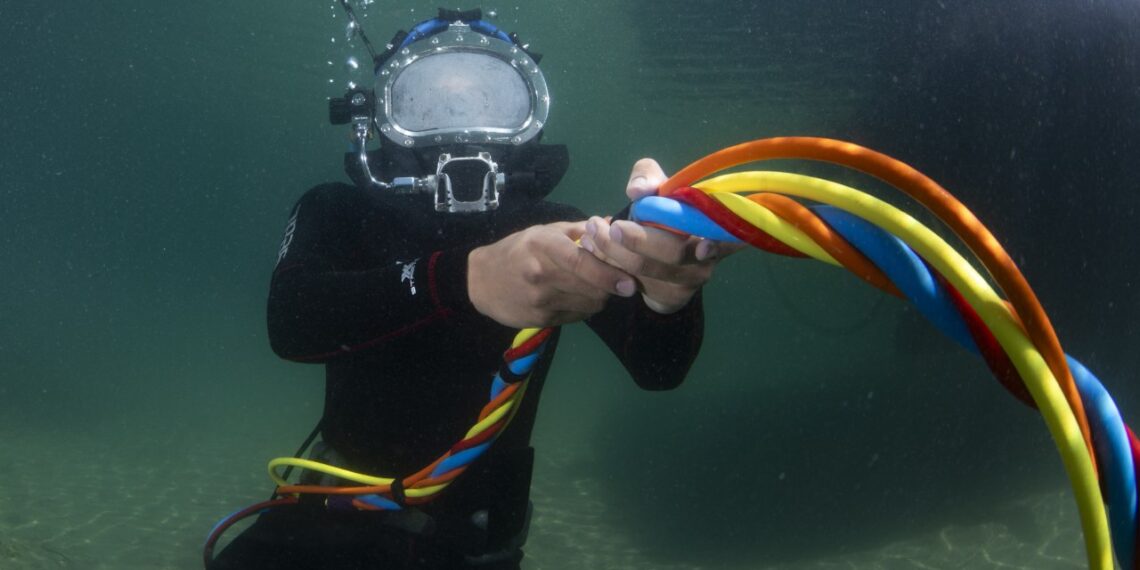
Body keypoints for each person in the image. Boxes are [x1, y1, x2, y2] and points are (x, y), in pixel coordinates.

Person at [209, 8, 731, 569]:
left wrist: (667, 291)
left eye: (491, 102)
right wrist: (467, 279)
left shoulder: (559, 229)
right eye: (425, 104)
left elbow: (658, 367)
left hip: (475, 545)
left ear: (529, 119)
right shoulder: (337, 211)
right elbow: (292, 321)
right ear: (382, 118)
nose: (460, 126)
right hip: (327, 515)